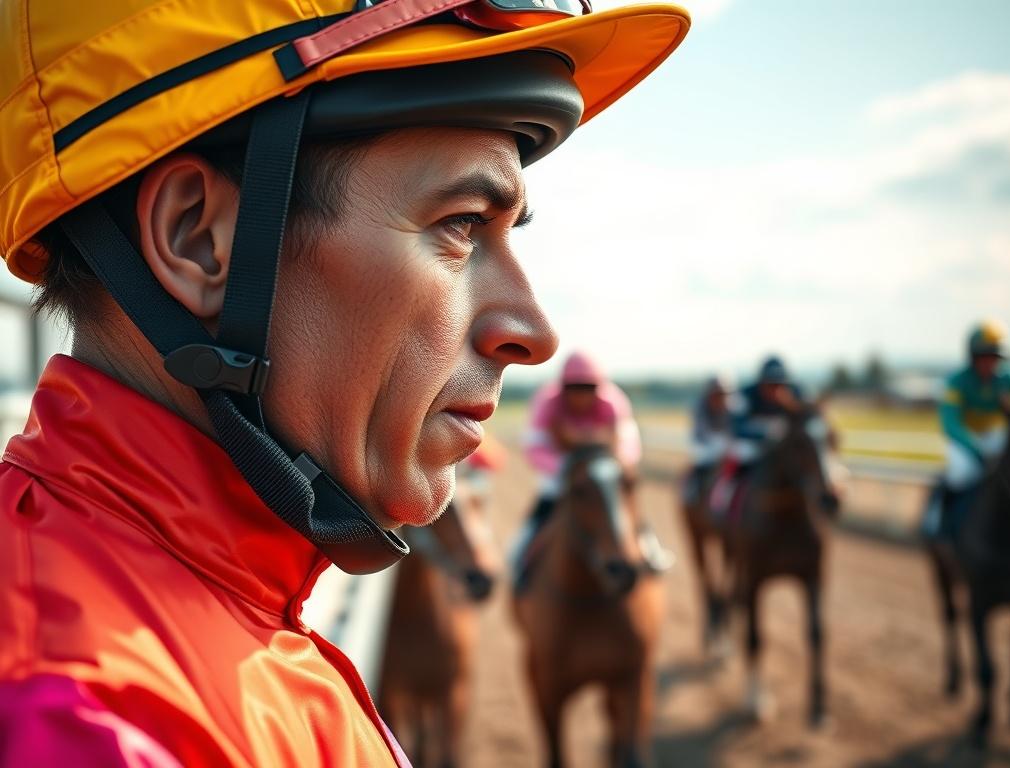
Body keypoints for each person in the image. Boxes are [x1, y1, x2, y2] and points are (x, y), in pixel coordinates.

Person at [0, 1, 691, 764]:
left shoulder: (227, 598)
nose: (533, 330)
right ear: (199, 239)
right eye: (462, 224)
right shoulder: (81, 724)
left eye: (510, 232)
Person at [513, 350, 669, 588]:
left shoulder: (613, 402)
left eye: (588, 388)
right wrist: (565, 467)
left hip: (604, 468)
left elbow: (629, 443)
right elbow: (534, 447)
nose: (582, 396)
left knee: (624, 504)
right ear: (563, 387)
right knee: (541, 512)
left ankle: (651, 548)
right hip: (561, 471)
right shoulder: (546, 403)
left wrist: (616, 465)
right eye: (575, 388)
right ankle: (519, 558)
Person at [922, 321, 1010, 541]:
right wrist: (977, 450)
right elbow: (950, 424)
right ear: (973, 357)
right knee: (961, 473)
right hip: (964, 441)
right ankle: (939, 523)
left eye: (995, 358)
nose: (990, 364)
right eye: (984, 357)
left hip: (998, 436)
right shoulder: (956, 383)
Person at [710, 356, 832, 519]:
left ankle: (828, 492)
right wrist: (766, 432)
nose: (775, 390)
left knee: (812, 455)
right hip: (753, 445)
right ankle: (723, 500)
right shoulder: (744, 396)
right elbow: (737, 428)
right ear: (761, 383)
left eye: (779, 384)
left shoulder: (797, 392)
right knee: (740, 453)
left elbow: (813, 417)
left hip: (784, 445)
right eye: (770, 385)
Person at [683, 375, 733, 507]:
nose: (721, 398)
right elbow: (701, 432)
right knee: (703, 459)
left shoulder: (732, 406)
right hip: (702, 443)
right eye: (717, 394)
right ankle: (693, 491)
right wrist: (722, 442)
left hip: (724, 443)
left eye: (723, 394)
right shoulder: (700, 406)